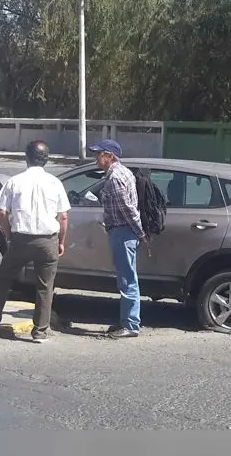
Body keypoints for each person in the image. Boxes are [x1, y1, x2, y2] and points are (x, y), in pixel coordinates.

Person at [0, 140, 70, 343]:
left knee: (3, 278)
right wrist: (61, 242)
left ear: (26, 157)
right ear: (46, 160)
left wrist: (9, 234)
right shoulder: (55, 183)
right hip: (48, 241)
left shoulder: (15, 181)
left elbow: (2, 212)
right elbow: (63, 217)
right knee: (44, 286)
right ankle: (40, 332)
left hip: (20, 240)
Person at [88, 138, 146, 339]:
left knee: (127, 280)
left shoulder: (115, 178)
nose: (95, 158)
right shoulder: (121, 173)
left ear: (110, 156)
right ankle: (127, 321)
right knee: (127, 278)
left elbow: (128, 209)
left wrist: (139, 232)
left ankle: (130, 325)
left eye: (98, 154)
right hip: (123, 231)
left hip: (123, 231)